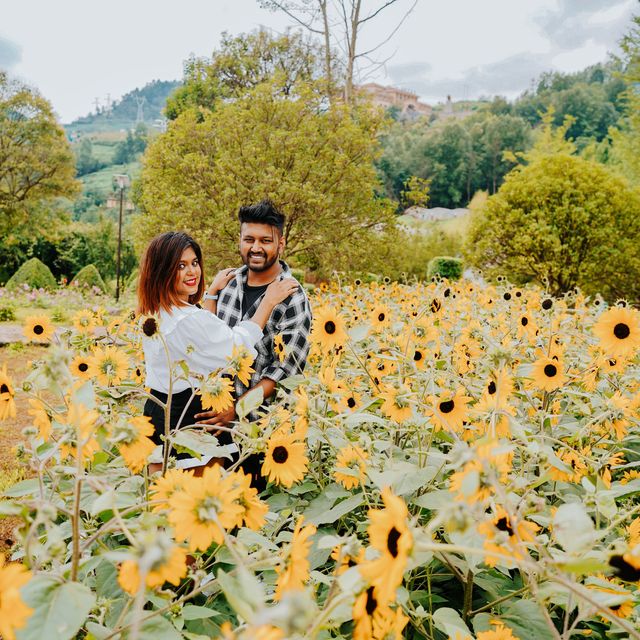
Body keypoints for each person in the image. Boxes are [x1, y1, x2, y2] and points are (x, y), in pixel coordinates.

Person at [137, 231, 299, 472]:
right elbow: (237, 349)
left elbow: (202, 344)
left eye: (194, 263)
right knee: (203, 501)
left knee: (164, 500)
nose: (192, 272)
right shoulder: (189, 319)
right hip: (192, 417)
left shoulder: (156, 313)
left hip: (158, 412)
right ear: (162, 270)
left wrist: (211, 294)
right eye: (181, 266)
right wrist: (268, 302)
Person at [194, 200, 312, 486]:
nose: (255, 247)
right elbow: (207, 342)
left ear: (280, 244)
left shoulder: (292, 297)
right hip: (213, 421)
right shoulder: (228, 284)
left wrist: (236, 409)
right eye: (249, 239)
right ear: (240, 240)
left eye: (265, 241)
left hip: (261, 431)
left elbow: (285, 370)